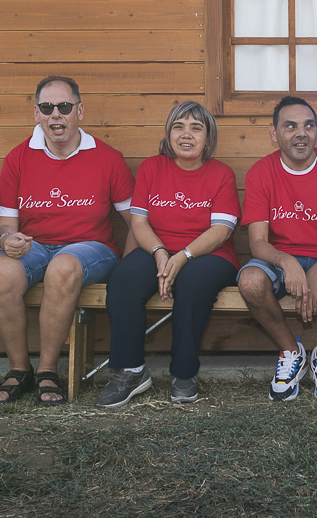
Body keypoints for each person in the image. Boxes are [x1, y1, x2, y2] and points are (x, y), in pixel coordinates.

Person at [0, 76, 135, 405]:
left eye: (64, 107)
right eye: (47, 107)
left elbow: (135, 222)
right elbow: (2, 226)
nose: (56, 114)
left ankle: (47, 371)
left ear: (79, 111)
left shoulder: (108, 158)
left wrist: (130, 271)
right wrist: (6, 240)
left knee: (63, 266)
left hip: (92, 247)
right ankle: (19, 369)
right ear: (36, 113)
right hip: (36, 246)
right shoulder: (18, 158)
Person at [95, 101, 241, 407]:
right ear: (169, 134)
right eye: (179, 127)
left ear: (208, 139)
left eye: (196, 128)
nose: (186, 134)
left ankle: (184, 373)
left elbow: (221, 231)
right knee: (123, 279)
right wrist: (160, 252)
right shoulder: (152, 168)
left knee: (192, 283)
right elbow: (139, 222)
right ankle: (131, 371)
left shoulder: (222, 174)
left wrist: (183, 256)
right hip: (156, 247)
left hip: (209, 254)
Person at [236, 96, 317, 404]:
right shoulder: (260, 172)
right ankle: (291, 352)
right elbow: (257, 242)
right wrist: (286, 262)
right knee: (250, 280)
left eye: (309, 126)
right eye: (290, 126)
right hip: (278, 257)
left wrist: (316, 272)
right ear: (274, 133)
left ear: (316, 131)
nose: (301, 133)